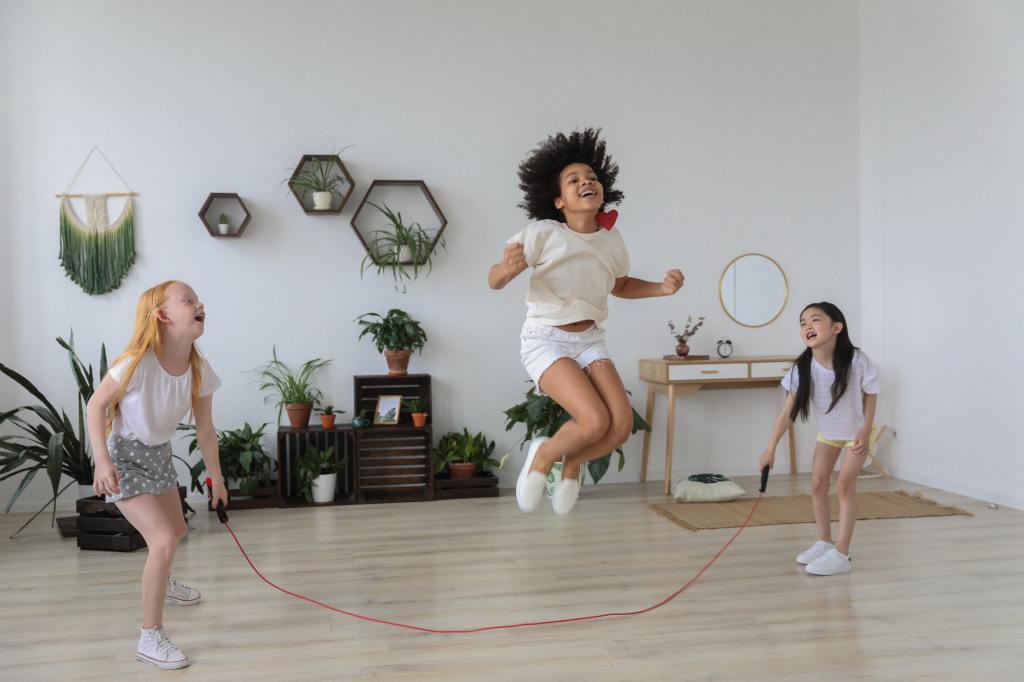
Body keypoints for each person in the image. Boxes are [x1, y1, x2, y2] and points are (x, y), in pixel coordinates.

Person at [489, 128, 684, 515]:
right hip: (546, 339)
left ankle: (572, 464)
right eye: (574, 179)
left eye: (592, 177)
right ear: (558, 201)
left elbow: (621, 285)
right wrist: (507, 270)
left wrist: (662, 289)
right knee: (594, 421)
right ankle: (543, 457)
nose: (586, 182)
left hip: (590, 340)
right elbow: (494, 279)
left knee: (620, 426)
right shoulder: (542, 234)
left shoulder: (612, 240)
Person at [87, 280, 227, 669]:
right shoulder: (138, 361)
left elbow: (206, 431)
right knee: (163, 540)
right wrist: (102, 460)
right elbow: (96, 405)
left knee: (177, 531)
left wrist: (216, 478)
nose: (199, 304)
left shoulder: (198, 368)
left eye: (198, 299)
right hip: (125, 457)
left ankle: (162, 581)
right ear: (162, 315)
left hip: (159, 455)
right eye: (188, 300)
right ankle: (150, 637)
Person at [759, 302, 880, 576]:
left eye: (815, 320)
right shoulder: (802, 368)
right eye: (803, 323)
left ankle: (842, 553)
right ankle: (825, 543)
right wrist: (770, 448)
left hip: (857, 435)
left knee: (845, 486)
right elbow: (787, 412)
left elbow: (872, 393)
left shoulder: (857, 360)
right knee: (817, 483)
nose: (807, 326)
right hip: (828, 434)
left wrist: (865, 430)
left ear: (837, 327)